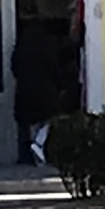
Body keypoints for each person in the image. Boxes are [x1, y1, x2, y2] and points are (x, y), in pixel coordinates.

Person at [11, 18, 65, 165]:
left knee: (26, 123)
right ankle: (39, 143)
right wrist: (60, 84)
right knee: (49, 118)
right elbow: (54, 68)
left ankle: (27, 155)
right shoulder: (47, 45)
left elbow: (14, 67)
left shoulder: (21, 47)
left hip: (24, 90)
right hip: (45, 90)